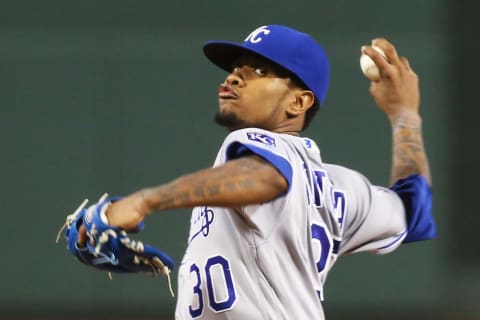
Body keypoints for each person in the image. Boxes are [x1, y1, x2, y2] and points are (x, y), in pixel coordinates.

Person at [77, 25, 436, 319]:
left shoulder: (261, 147)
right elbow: (413, 210)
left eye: (260, 71)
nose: (234, 77)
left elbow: (269, 178)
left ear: (298, 102)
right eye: (235, 68)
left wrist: (144, 201)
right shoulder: (341, 186)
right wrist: (405, 113)